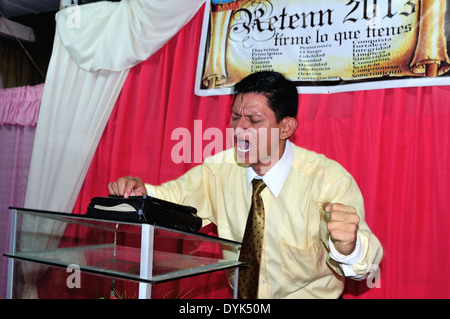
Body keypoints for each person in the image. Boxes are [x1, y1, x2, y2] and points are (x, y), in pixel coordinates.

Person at [108, 71, 383, 298]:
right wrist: (140, 193)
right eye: (236, 116)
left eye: (253, 120)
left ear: (285, 128)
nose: (239, 129)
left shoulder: (327, 181)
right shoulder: (219, 170)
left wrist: (350, 247)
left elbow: (365, 264)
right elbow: (173, 199)